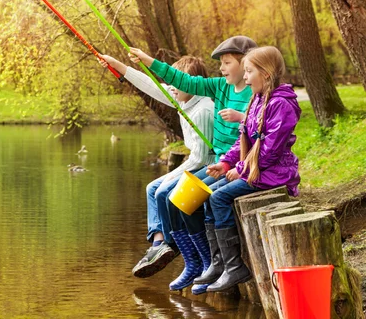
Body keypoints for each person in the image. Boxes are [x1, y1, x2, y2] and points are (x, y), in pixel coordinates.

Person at [126, 36, 255, 292]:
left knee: (189, 198)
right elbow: (184, 81)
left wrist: (242, 118)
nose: (221, 68)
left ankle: (212, 263)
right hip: (222, 163)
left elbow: (261, 129)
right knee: (178, 199)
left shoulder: (254, 93)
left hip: (238, 166)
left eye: (227, 62)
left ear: (245, 63)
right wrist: (147, 61)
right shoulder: (220, 87)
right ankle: (201, 263)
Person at [98, 54, 214, 279]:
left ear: (192, 83)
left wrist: (172, 177)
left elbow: (200, 159)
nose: (172, 88)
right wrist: (118, 65)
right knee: (152, 189)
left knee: (164, 192)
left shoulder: (203, 110)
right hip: (197, 162)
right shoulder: (185, 99)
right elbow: (150, 85)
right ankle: (159, 242)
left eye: (177, 83)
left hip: (207, 164)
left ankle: (178, 248)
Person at [202, 46, 301, 292]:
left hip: (274, 173)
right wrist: (226, 162)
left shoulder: (282, 105)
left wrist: (242, 169)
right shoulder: (257, 99)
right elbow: (244, 138)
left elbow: (270, 151)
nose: (244, 77)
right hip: (257, 168)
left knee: (219, 197)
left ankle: (235, 266)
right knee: (207, 193)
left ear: (265, 74)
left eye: (248, 71)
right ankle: (220, 263)